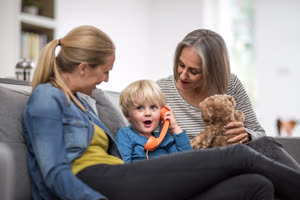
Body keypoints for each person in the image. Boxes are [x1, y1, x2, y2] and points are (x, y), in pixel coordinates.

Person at [23, 25, 300, 200]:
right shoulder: (47, 96)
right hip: (99, 179)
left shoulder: (83, 103)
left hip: (121, 177)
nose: (106, 80)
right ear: (83, 68)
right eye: (105, 71)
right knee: (240, 156)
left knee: (255, 185)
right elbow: (54, 172)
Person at [157, 29, 265, 144]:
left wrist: (248, 135)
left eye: (194, 71)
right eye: (181, 65)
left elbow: (260, 134)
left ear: (212, 72)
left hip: (226, 158)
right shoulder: (159, 90)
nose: (183, 76)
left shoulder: (231, 83)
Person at [115, 80, 192, 163]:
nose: (148, 113)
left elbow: (187, 160)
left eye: (153, 107)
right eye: (140, 108)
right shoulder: (126, 134)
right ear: (127, 115)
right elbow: (121, 166)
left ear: (162, 112)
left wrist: (175, 127)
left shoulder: (165, 139)